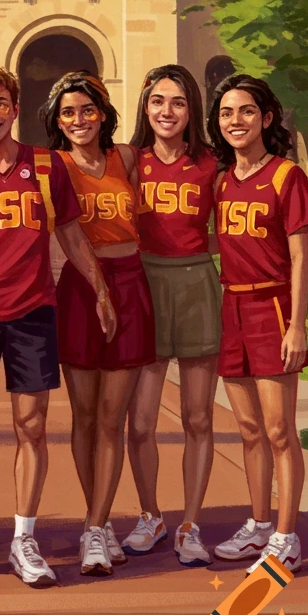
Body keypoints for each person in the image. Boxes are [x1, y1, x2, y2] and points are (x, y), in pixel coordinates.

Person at [0, 63, 116, 588]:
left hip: (35, 311)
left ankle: (23, 538)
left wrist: (100, 289)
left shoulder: (46, 166)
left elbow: (74, 236)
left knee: (32, 427)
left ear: (14, 107)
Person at [44, 70, 155, 577]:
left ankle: (96, 522)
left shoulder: (127, 157)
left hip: (130, 279)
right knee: (84, 417)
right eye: (68, 112)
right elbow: (57, 235)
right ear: (57, 120)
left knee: (114, 419)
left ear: (104, 113)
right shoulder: (54, 165)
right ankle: (99, 523)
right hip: (80, 286)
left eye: (87, 110)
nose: (79, 120)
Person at [207, 74, 308, 575]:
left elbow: (299, 258)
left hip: (272, 308)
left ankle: (288, 537)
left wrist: (296, 326)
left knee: (278, 429)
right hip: (232, 306)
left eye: (246, 111)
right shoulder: (223, 181)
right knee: (248, 428)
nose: (236, 121)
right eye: (227, 113)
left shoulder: (285, 176)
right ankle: (259, 524)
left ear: (266, 118)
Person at [123, 65, 220, 567]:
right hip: (145, 283)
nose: (167, 111)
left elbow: (231, 229)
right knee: (139, 422)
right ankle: (150, 515)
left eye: (178, 102)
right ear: (145, 106)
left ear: (192, 110)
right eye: (158, 100)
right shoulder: (128, 161)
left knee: (198, 417)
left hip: (196, 283)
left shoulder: (211, 163)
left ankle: (190, 524)